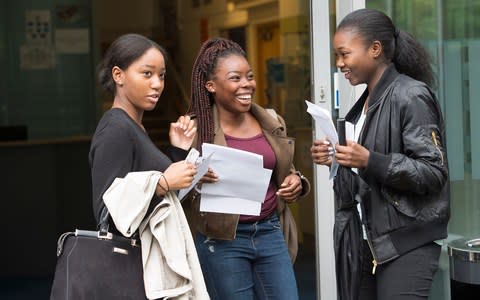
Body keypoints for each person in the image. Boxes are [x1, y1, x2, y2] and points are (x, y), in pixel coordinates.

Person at [311, 8, 450, 300]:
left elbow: (433, 172)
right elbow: (367, 171)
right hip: (367, 242)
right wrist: (336, 159)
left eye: (345, 54)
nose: (339, 64)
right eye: (337, 56)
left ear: (375, 49)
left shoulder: (411, 95)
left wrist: (369, 160)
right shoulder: (363, 104)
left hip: (405, 245)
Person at [183, 37, 310, 300]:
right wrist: (193, 176)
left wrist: (297, 181)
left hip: (270, 231)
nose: (246, 85)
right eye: (235, 78)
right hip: (221, 240)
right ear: (211, 86)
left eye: (249, 76)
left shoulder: (271, 121)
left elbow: (288, 171)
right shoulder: (194, 130)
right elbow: (176, 190)